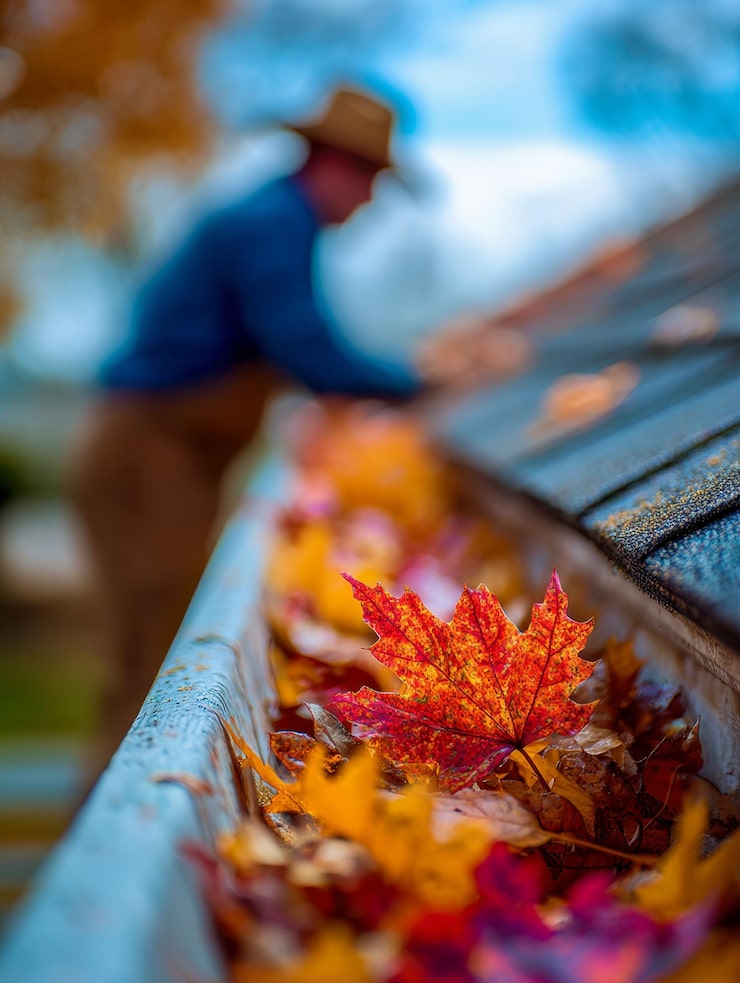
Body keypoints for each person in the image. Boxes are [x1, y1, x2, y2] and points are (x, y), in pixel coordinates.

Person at [70, 86, 529, 760]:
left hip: (164, 457)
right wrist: (413, 381)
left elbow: (296, 345)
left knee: (152, 653)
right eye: (370, 181)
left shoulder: (275, 219)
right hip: (147, 458)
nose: (370, 201)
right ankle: (117, 845)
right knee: (150, 666)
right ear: (334, 165)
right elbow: (304, 346)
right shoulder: (272, 224)